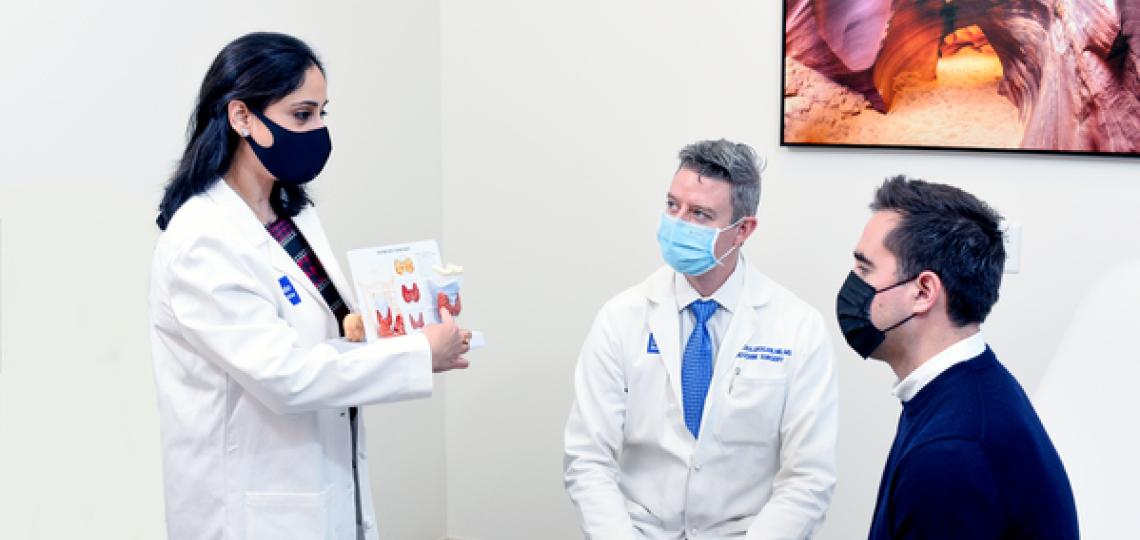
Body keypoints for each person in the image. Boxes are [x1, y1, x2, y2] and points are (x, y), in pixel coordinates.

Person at [149, 32, 470, 540]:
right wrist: (414, 354)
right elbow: (286, 374)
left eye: (322, 113)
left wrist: (385, 328)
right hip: (248, 514)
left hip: (318, 494)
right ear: (242, 118)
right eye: (302, 115)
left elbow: (324, 335)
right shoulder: (203, 240)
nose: (319, 130)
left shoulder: (289, 216)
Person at [564, 139, 838, 539]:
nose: (678, 223)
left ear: (743, 230)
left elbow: (808, 478)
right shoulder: (620, 318)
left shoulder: (797, 327)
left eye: (700, 214)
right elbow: (587, 458)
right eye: (673, 206)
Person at [838, 176, 1079, 539]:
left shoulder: (951, 453)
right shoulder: (970, 389)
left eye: (865, 269)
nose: (852, 284)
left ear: (923, 292)